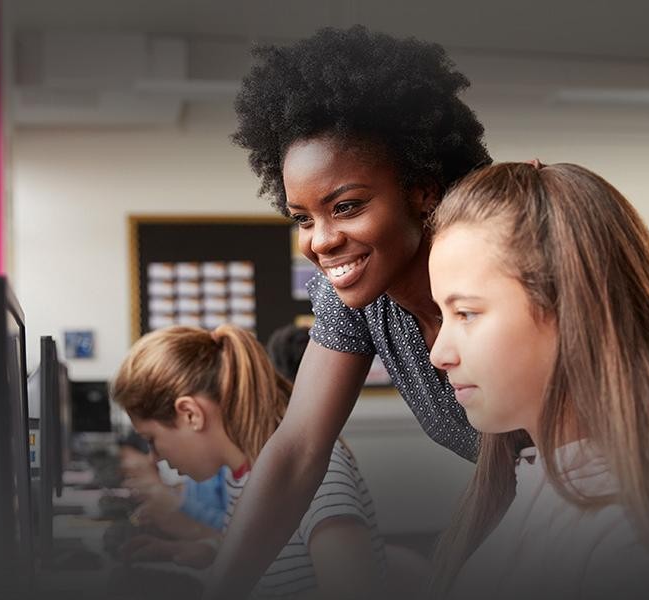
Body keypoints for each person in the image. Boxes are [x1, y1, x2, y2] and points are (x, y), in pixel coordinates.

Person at [206, 25, 490, 598]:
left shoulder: (497, 274)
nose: (321, 241)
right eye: (304, 218)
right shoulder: (352, 299)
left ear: (424, 189)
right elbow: (297, 449)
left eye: (348, 206)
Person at [426, 161, 649, 599]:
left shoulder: (632, 538)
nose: (439, 354)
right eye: (442, 315)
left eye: (467, 313)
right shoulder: (532, 485)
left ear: (571, 312)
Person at [110, 324, 386, 598]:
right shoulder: (242, 475)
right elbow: (281, 555)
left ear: (190, 414)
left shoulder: (314, 471)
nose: (154, 457)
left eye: (152, 439)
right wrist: (209, 549)